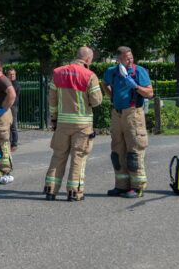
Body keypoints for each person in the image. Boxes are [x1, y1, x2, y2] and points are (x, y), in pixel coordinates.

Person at [43, 47, 103, 201]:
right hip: (82, 124)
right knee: (78, 157)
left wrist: (54, 119)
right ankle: (74, 192)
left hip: (63, 123)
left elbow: (52, 101)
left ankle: (51, 190)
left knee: (58, 156)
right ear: (88, 59)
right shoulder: (90, 75)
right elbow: (96, 101)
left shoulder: (57, 73)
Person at [101, 46, 154, 198]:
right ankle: (122, 186)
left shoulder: (139, 71)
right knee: (117, 152)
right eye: (126, 58)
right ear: (118, 59)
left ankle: (138, 188)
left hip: (133, 114)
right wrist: (111, 96)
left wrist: (136, 86)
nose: (130, 60)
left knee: (134, 151)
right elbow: (105, 83)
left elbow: (150, 93)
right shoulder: (112, 71)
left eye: (131, 57)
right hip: (117, 114)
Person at [6, 68, 20, 151]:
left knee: (13, 126)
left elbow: (11, 95)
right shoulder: (7, 84)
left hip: (13, 107)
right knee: (7, 125)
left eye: (13, 74)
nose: (12, 76)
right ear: (7, 75)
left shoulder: (16, 85)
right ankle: (9, 142)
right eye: (10, 74)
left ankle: (14, 143)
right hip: (6, 106)